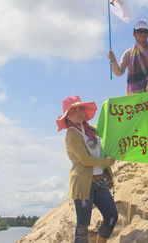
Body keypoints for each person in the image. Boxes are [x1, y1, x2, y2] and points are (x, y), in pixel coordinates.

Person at [56, 96, 118, 243]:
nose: (78, 113)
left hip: (100, 181)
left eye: (80, 108)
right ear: (68, 116)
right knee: (83, 226)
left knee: (111, 216)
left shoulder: (90, 129)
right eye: (74, 110)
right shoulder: (72, 134)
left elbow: (106, 132)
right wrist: (106, 162)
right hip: (84, 183)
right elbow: (85, 160)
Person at [107, 19, 148, 95]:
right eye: (140, 31)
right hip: (136, 93)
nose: (143, 34)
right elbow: (119, 72)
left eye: (145, 31)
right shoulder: (128, 53)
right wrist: (113, 60)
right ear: (134, 33)